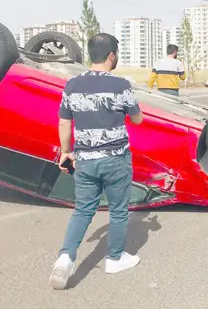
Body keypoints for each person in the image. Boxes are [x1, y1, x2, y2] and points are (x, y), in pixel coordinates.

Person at [49, 33, 144, 290]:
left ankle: (65, 257)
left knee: (83, 210)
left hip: (85, 160)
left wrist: (66, 152)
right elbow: (137, 120)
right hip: (115, 159)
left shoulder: (72, 85)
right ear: (111, 56)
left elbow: (64, 122)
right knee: (118, 210)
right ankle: (114, 258)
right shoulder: (121, 85)